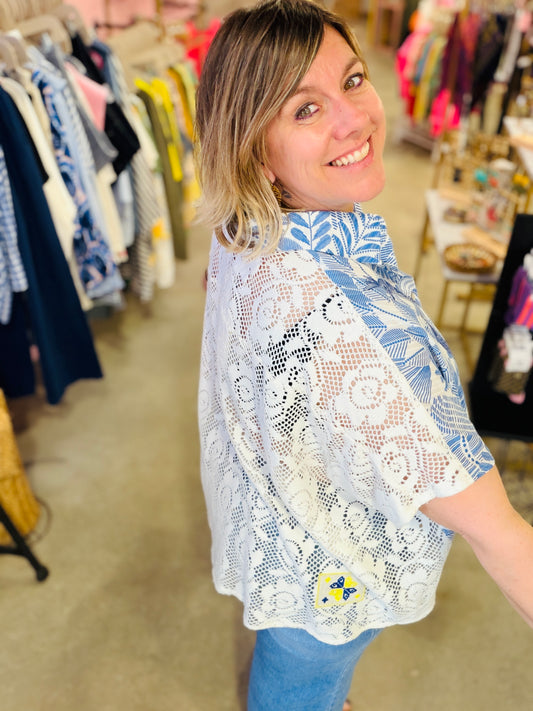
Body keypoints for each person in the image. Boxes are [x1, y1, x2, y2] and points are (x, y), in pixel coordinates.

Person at [195, 1, 533, 709]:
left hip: (281, 530)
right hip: (327, 581)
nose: (354, 119)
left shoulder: (245, 227)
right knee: (302, 674)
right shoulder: (351, 336)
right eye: (305, 109)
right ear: (254, 149)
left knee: (299, 668)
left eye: (351, 80)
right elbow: (504, 540)